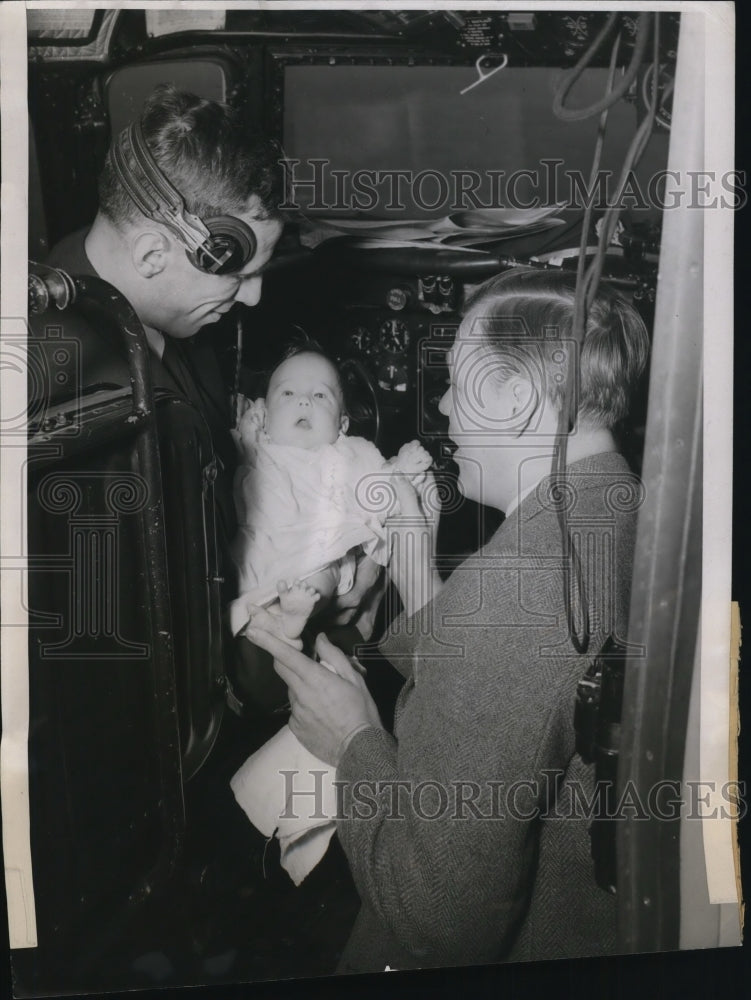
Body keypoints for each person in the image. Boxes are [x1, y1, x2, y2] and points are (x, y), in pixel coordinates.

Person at [245, 268, 650, 972]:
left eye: (456, 383)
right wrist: (409, 552)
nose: (441, 405)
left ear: (514, 397)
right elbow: (508, 700)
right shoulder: (621, 508)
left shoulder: (515, 587)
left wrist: (353, 739)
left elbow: (436, 915)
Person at [45, 84, 286, 604]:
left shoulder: (170, 311)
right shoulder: (71, 402)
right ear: (153, 255)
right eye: (239, 275)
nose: (254, 296)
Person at [229, 343, 432, 643]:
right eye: (287, 393)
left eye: (320, 395)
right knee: (243, 576)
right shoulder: (258, 446)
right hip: (260, 543)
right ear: (265, 414)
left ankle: (296, 612)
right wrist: (248, 428)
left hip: (320, 549)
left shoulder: (346, 453)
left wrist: (402, 468)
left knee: (320, 576)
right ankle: (274, 620)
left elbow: (376, 487)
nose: (303, 402)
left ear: (342, 424)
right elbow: (234, 442)